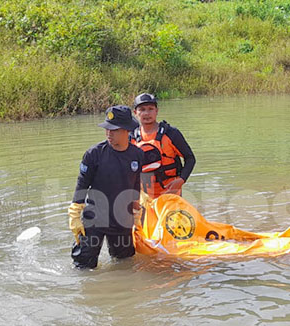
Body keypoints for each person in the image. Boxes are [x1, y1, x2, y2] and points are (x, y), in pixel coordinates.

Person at [67, 105, 144, 269]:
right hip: (95, 217)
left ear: (127, 130)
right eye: (107, 129)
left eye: (114, 130)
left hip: (122, 218)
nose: (109, 133)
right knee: (84, 265)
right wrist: (74, 213)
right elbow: (82, 183)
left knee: (124, 263)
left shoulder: (137, 155)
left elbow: (135, 183)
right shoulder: (94, 154)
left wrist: (136, 210)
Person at [130, 93, 196, 199]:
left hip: (170, 193)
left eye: (150, 109)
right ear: (135, 113)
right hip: (144, 196)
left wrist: (181, 180)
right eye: (142, 109)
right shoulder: (131, 137)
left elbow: (190, 158)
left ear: (157, 111)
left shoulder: (171, 133)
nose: (147, 113)